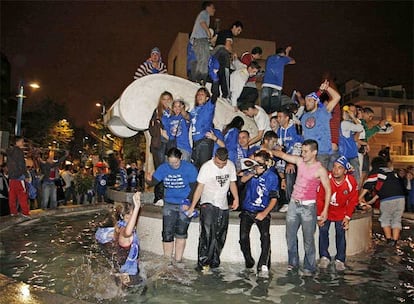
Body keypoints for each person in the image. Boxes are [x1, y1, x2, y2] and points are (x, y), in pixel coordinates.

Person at [273, 139, 331, 276]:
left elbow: (328, 190)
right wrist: (269, 150)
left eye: (305, 151)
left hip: (308, 208)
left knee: (308, 239)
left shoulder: (320, 169)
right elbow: (282, 155)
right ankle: (292, 263)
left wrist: (325, 210)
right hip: (294, 203)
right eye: (302, 151)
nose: (302, 154)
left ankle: (309, 267)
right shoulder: (300, 161)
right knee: (290, 236)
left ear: (314, 152)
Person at [185, 148, 239, 271]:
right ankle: (203, 263)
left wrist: (236, 198)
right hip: (207, 202)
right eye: (218, 163)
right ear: (214, 157)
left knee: (220, 235)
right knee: (207, 233)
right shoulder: (207, 167)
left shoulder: (230, 165)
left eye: (223, 164)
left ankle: (214, 262)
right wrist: (193, 206)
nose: (221, 166)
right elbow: (199, 188)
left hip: (223, 203)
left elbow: (232, 183)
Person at [145, 148, 198, 262]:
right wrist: (148, 180)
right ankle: (167, 261)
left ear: (180, 158)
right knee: (167, 233)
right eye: (171, 162)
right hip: (169, 203)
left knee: (181, 233)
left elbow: (195, 188)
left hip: (184, 203)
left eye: (176, 162)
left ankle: (178, 260)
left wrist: (188, 202)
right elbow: (153, 181)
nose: (173, 165)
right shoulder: (163, 168)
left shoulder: (189, 168)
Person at [239, 150, 279, 277]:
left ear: (267, 163)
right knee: (243, 237)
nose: (257, 166)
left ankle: (263, 264)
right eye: (255, 163)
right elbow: (242, 181)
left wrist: (264, 213)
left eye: (260, 163)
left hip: (263, 210)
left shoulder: (272, 177)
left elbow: (274, 198)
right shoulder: (251, 172)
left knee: (265, 236)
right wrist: (252, 172)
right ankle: (249, 260)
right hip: (247, 209)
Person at [316, 156, 358, 271]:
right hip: (326, 210)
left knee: (341, 233)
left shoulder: (351, 181)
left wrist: (347, 217)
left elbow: (353, 200)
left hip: (341, 212)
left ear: (345, 171)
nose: (336, 170)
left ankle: (340, 259)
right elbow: (319, 198)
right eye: (334, 167)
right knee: (323, 231)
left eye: (340, 168)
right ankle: (324, 256)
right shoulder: (326, 178)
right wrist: (320, 215)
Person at [359, 157, 406, 246]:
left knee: (385, 219)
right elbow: (384, 189)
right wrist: (372, 201)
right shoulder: (391, 172)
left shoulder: (377, 171)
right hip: (400, 198)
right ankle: (395, 241)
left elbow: (368, 185)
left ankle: (389, 240)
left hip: (387, 200)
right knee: (397, 219)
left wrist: (359, 197)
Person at [300, 80, 341, 170]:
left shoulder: (323, 112)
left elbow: (337, 97)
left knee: (323, 180)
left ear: (316, 102)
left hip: (324, 152)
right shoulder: (304, 117)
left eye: (310, 100)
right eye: (306, 100)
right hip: (310, 154)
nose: (307, 102)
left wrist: (327, 88)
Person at [276, 108, 303, 212]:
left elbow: (299, 145)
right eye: (278, 117)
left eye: (280, 117)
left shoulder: (295, 127)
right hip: (285, 158)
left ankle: (290, 202)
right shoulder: (280, 129)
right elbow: (279, 144)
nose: (278, 119)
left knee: (290, 174)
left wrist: (292, 162)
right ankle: (285, 201)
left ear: (287, 117)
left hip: (296, 159)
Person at [149, 91, 172, 205]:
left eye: (168, 99)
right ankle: (158, 197)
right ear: (160, 101)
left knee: (169, 171)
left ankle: (166, 196)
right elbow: (151, 129)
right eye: (164, 99)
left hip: (170, 145)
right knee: (160, 170)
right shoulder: (157, 112)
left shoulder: (173, 112)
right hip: (159, 145)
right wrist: (161, 132)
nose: (167, 101)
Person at [211, 21, 243, 101]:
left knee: (217, 72)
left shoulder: (221, 32)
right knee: (226, 72)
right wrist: (233, 53)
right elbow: (227, 46)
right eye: (238, 30)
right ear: (234, 27)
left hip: (215, 54)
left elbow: (212, 41)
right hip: (222, 53)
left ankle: (216, 93)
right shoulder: (229, 34)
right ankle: (226, 94)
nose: (238, 33)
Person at [261, 46, 296, 113]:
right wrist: (287, 51)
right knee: (275, 109)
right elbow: (293, 61)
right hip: (276, 86)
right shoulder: (283, 59)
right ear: (283, 54)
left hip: (266, 84)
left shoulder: (269, 58)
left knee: (264, 108)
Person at [2, 137, 30, 217]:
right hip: (19, 176)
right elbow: (22, 164)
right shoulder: (19, 151)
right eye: (22, 141)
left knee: (12, 196)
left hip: (11, 177)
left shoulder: (9, 150)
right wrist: (26, 175)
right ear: (17, 142)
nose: (23, 143)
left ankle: (13, 212)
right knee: (22, 196)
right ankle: (25, 213)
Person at [189, 1, 216, 83]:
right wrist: (208, 32)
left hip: (201, 40)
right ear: (208, 7)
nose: (214, 10)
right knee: (203, 58)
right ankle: (198, 77)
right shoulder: (204, 13)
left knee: (205, 58)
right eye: (213, 7)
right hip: (200, 40)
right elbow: (202, 22)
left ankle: (202, 77)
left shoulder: (206, 15)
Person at [190, 87, 217, 169]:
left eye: (202, 94)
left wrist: (215, 81)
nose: (199, 96)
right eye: (198, 94)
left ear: (207, 98)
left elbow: (215, 94)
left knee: (204, 168)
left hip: (204, 141)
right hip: (195, 142)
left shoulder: (208, 107)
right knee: (195, 168)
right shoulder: (193, 110)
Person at [339, 105, 364, 185]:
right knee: (355, 180)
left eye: (354, 112)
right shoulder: (345, 123)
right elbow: (360, 128)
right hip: (350, 155)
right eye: (350, 111)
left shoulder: (346, 123)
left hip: (345, 154)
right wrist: (353, 117)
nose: (352, 113)